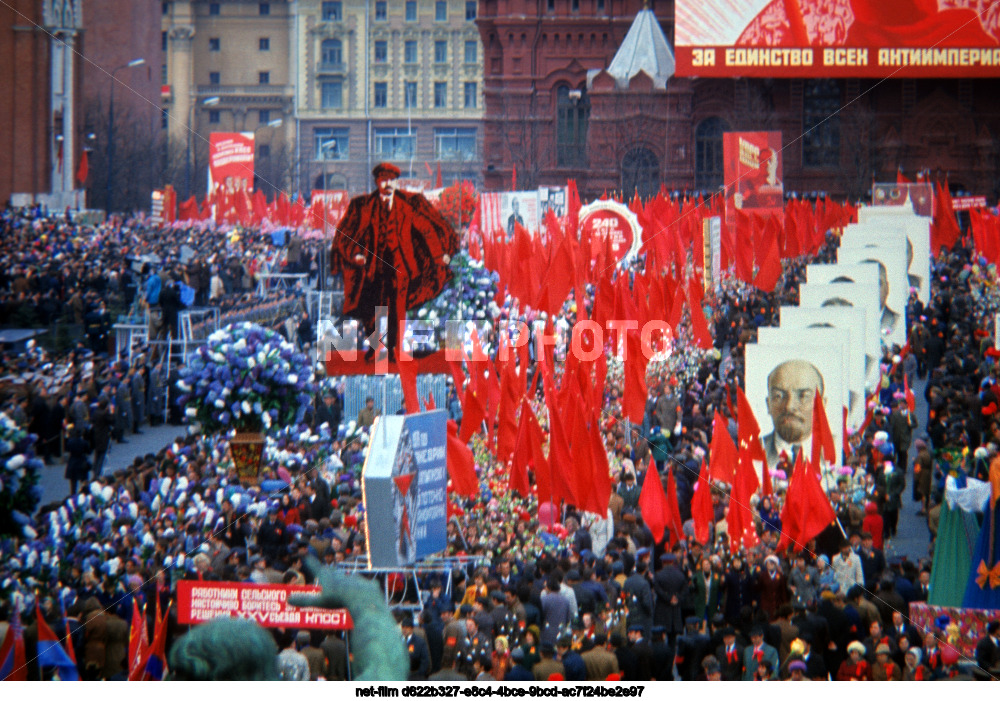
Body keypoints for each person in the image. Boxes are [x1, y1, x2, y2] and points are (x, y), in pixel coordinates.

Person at [331, 162, 458, 362]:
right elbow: (346, 234)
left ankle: (395, 350)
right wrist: (355, 254)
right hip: (373, 268)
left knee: (397, 309)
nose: (388, 184)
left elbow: (426, 229)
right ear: (377, 181)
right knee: (373, 310)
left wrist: (438, 255)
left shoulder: (407, 205)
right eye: (383, 180)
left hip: (400, 268)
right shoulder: (363, 206)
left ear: (396, 182)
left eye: (391, 180)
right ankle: (376, 348)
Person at [761, 359, 824, 469]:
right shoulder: (755, 451)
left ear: (821, 406)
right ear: (768, 404)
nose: (789, 406)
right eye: (779, 396)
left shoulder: (831, 453)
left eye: (803, 396)